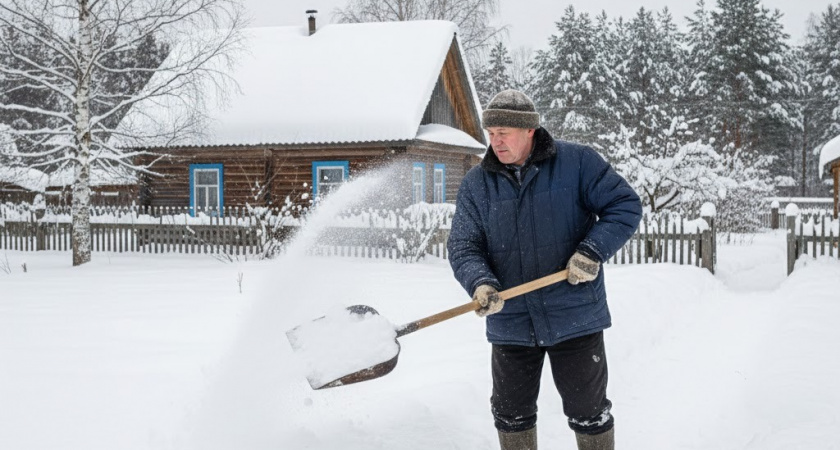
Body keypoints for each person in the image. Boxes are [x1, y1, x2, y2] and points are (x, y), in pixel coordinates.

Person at [447, 89, 642, 450]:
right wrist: (480, 283)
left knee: (589, 410)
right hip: (511, 322)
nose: (496, 141)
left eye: (504, 132)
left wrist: (592, 251)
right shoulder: (477, 184)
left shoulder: (578, 163)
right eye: (491, 133)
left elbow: (624, 205)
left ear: (529, 131)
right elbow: (463, 246)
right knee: (510, 412)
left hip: (574, 315)